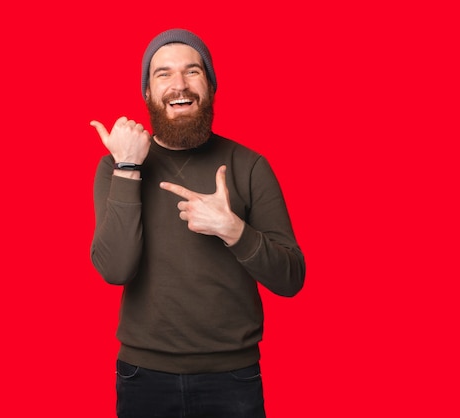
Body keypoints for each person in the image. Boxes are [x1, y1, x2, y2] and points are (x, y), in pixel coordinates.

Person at [89, 28, 305, 418]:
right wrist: (127, 168)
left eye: (193, 71)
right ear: (148, 94)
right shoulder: (116, 166)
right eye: (163, 74)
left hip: (232, 378)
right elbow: (115, 269)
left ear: (210, 86)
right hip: (143, 377)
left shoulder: (250, 165)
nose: (179, 84)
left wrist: (234, 230)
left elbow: (291, 279)